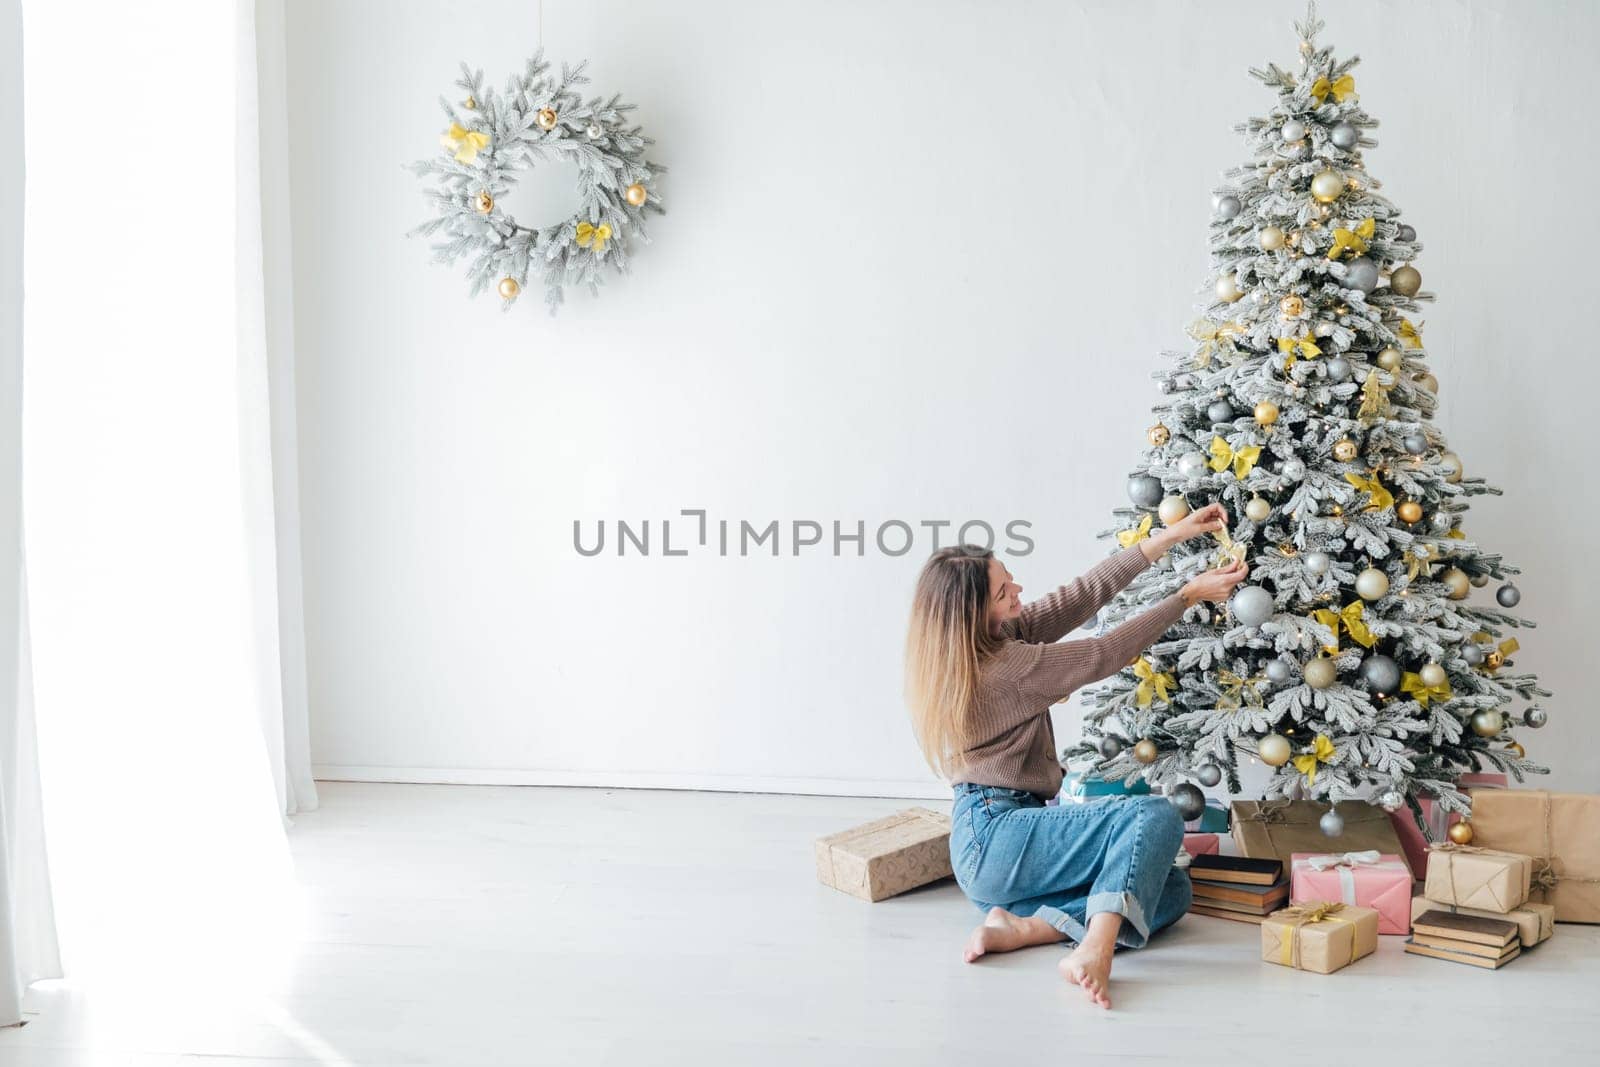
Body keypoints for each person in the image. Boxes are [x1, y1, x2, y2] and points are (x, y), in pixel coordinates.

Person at [902, 502, 1246, 1008]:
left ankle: (1023, 928)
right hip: (997, 836)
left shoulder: (990, 639)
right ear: (976, 612)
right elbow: (1103, 654)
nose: (1017, 591)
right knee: (1153, 814)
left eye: (1009, 579)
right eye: (1004, 591)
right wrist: (1187, 596)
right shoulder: (1004, 668)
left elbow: (1082, 596)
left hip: (1002, 849)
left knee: (1170, 890)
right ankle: (1096, 950)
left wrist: (1168, 538)